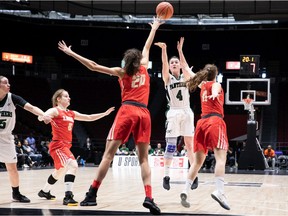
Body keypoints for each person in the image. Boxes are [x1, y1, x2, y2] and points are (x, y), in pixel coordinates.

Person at [57, 17, 163, 214]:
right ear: (138, 60)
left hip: (128, 110)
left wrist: (72, 53)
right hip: (144, 113)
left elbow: (93, 65)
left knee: (108, 155)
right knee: (144, 160)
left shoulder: (121, 72)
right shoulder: (145, 65)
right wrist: (154, 27)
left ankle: (92, 194)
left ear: (126, 61)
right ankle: (149, 197)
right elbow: (147, 45)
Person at [37, 89, 115, 206]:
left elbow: (89, 117)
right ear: (58, 99)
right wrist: (44, 118)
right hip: (58, 145)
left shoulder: (71, 113)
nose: (69, 98)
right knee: (73, 165)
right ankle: (68, 196)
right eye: (66, 96)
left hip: (65, 146)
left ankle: (44, 191)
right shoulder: (55, 110)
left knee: (60, 171)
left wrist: (104, 114)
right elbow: (42, 115)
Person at [180, 64, 230, 210]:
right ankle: (220, 191)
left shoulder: (202, 85)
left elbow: (189, 72)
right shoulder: (215, 84)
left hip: (201, 124)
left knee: (197, 162)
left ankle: (185, 190)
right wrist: (214, 94)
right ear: (216, 74)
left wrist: (182, 57)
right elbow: (215, 88)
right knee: (221, 159)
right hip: (215, 121)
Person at [154, 37, 198, 191]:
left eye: (176, 62)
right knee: (171, 146)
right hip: (173, 112)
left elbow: (186, 66)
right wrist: (164, 50)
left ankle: (194, 175)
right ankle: (166, 176)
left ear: (179, 65)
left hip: (186, 111)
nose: (173, 64)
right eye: (172, 63)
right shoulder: (168, 78)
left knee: (189, 145)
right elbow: (164, 65)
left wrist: (180, 51)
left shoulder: (186, 77)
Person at [0, 75, 51, 203]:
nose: (9, 85)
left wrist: (43, 115)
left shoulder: (12, 98)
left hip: (6, 138)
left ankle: (16, 194)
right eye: (6, 83)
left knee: (12, 168)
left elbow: (31, 107)